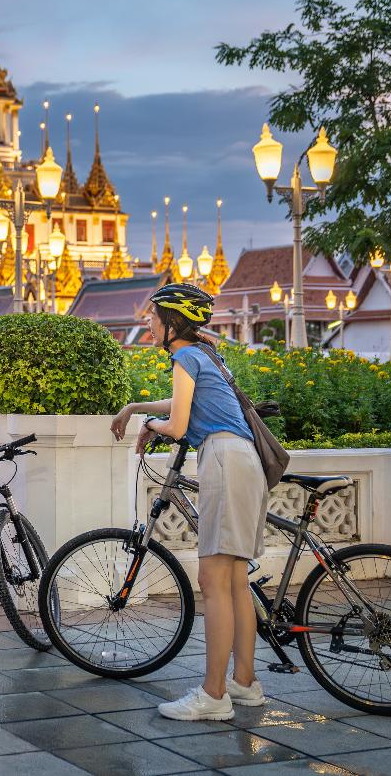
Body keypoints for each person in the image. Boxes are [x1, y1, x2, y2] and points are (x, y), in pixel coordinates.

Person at [110, 282, 269, 722]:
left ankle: (214, 695)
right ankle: (244, 683)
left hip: (223, 459)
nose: (148, 322)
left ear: (171, 323)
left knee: (214, 583)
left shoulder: (185, 356)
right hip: (241, 459)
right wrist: (138, 408)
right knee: (235, 582)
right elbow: (182, 405)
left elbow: (178, 424)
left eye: (153, 316)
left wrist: (152, 425)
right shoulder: (204, 355)